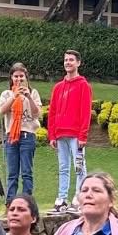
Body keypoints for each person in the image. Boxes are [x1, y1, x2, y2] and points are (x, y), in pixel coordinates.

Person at [47, 50, 93, 214]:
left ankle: (79, 199)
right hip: (60, 135)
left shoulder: (83, 85)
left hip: (76, 135)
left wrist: (83, 135)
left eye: (71, 60)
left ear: (78, 63)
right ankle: (62, 200)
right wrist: (52, 135)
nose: (68, 62)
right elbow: (52, 112)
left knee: (79, 167)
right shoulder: (58, 87)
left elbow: (85, 112)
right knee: (63, 168)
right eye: (66, 60)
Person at [0, 63, 41, 204]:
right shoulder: (6, 94)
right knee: (12, 173)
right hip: (11, 135)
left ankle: (27, 202)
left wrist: (28, 97)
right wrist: (14, 96)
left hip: (28, 134)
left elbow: (37, 114)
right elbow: (2, 110)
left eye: (21, 76)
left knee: (27, 172)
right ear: (11, 78)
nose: (18, 79)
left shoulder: (33, 93)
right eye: (16, 76)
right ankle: (10, 203)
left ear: (26, 77)